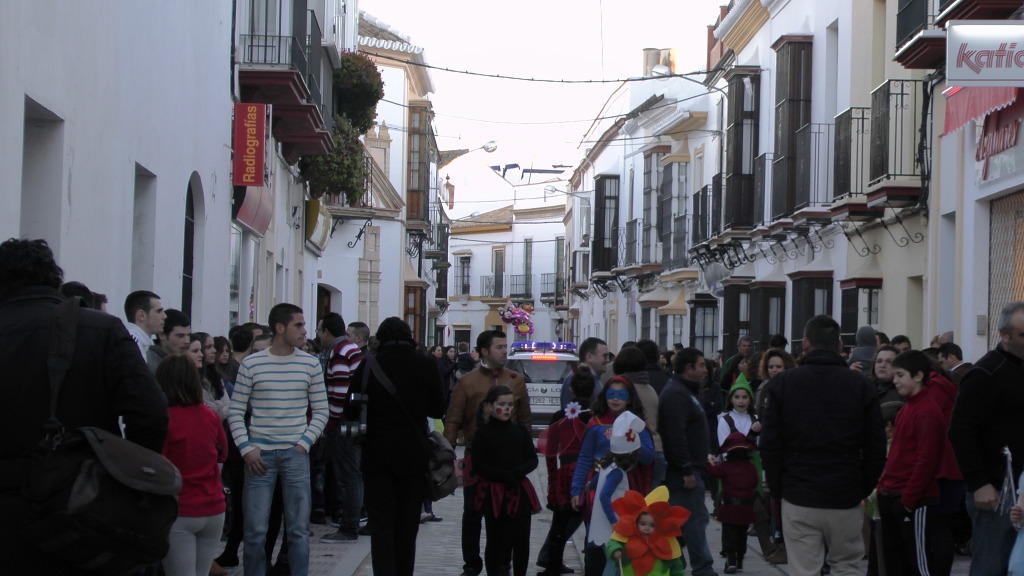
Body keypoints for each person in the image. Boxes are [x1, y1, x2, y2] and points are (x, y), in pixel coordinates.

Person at [0, 238, 169, 576]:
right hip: (86, 511)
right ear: (54, 279)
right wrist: (122, 477)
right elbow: (151, 413)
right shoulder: (100, 329)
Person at [760, 315, 886, 576]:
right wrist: (863, 486)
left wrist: (778, 487)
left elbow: (771, 444)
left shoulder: (783, 383)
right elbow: (876, 445)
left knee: (804, 569)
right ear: (839, 345)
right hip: (845, 491)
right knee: (847, 566)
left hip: (799, 491)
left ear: (805, 343)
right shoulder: (861, 384)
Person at [227, 303, 329, 576]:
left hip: (295, 454)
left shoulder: (309, 363)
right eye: (299, 325)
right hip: (259, 455)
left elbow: (321, 410)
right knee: (255, 531)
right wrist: (246, 448)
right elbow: (235, 412)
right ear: (280, 328)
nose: (305, 331)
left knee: (298, 530)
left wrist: (303, 444)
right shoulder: (252, 363)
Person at [347, 317, 446, 576]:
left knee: (381, 526)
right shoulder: (425, 364)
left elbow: (350, 409)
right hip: (413, 457)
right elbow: (438, 408)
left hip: (376, 456)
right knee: (407, 525)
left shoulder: (368, 365)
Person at [445, 330, 532, 576]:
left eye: (506, 346)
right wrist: (446, 453)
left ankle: (502, 562)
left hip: (508, 461)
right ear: (484, 351)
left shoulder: (516, 379)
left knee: (505, 514)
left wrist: (525, 453)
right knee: (472, 512)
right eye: (499, 347)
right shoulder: (467, 382)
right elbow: (453, 420)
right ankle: (471, 563)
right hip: (476, 457)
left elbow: (525, 420)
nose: (505, 350)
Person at [949, 301, 1024, 575]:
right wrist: (979, 483)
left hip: (1022, 485)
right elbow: (960, 431)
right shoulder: (985, 374)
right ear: (1005, 335)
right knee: (993, 564)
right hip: (996, 490)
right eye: (1023, 335)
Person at [571, 377, 655, 576]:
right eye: (611, 395)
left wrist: (633, 441)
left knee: (626, 541)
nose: (615, 399)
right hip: (598, 484)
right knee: (595, 540)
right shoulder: (595, 423)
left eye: (621, 395)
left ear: (629, 398)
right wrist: (577, 489)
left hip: (628, 486)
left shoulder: (638, 424)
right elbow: (584, 457)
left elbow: (649, 457)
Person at [156, 355, 228, 576]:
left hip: (181, 510)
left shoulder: (164, 419)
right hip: (214, 507)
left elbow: (160, 466)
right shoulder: (209, 415)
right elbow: (222, 452)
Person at [876, 351, 946, 576]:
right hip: (893, 494)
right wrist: (883, 487)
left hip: (913, 499)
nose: (895, 381)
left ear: (918, 376)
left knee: (918, 561)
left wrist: (909, 498)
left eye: (900, 375)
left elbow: (926, 460)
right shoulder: (907, 408)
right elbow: (897, 453)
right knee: (895, 560)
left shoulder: (927, 411)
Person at [470, 384, 540, 576]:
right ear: (489, 406)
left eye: (510, 405)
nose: (507, 409)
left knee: (521, 540)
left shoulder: (520, 431)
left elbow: (532, 458)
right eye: (502, 404)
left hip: (519, 490)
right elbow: (478, 465)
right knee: (495, 539)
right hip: (494, 492)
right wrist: (501, 475)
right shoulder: (483, 434)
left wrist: (519, 472)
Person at [658, 348, 714, 576]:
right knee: (694, 522)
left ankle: (673, 562)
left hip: (693, 467)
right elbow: (675, 435)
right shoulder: (676, 394)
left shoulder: (686, 392)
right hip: (684, 472)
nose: (704, 370)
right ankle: (703, 569)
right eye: (701, 365)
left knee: (688, 521)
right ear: (688, 368)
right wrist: (685, 468)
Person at [539, 365, 596, 576]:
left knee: (560, 524)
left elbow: (550, 451)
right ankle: (593, 565)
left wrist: (553, 477)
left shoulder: (560, 416)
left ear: (571, 390)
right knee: (592, 521)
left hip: (566, 472)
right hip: (591, 471)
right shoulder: (595, 416)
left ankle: (553, 564)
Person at [316, 312, 365, 544]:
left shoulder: (339, 353)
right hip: (353, 421)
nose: (317, 335)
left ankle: (348, 527)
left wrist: (331, 421)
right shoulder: (351, 349)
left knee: (347, 476)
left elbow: (340, 392)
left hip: (344, 423)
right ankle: (351, 522)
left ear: (327, 332)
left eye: (319, 330)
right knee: (352, 474)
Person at [589, 411, 646, 576]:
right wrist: (614, 521)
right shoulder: (618, 472)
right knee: (613, 562)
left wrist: (589, 486)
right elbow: (604, 495)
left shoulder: (608, 464)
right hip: (611, 524)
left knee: (612, 562)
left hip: (604, 521)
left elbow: (597, 478)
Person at [705, 432, 759, 574]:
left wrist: (707, 462)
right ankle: (739, 559)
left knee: (729, 534)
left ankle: (731, 560)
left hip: (729, 507)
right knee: (742, 534)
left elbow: (711, 471)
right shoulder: (751, 468)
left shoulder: (725, 467)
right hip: (746, 507)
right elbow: (755, 483)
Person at [604, 486, 689, 576]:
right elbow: (613, 543)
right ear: (636, 522)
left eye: (652, 525)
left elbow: (676, 565)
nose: (647, 528)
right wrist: (615, 550)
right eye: (643, 524)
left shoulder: (666, 543)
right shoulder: (627, 536)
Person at [561, 337, 610, 408]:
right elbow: (570, 413)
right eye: (605, 356)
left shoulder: (592, 377)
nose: (608, 360)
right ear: (589, 357)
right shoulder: (576, 379)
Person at [124, 289, 166, 358]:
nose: (164, 316)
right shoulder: (132, 345)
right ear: (141, 316)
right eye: (159, 311)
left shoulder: (136, 342)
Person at [149, 309, 191, 373]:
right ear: (162, 335)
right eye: (180, 335)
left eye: (188, 335)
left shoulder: (183, 361)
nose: (187, 341)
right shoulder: (150, 365)